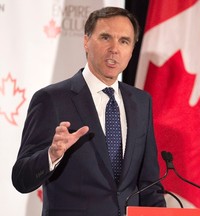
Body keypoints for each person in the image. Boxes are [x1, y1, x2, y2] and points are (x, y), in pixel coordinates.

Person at [12, 6, 166, 216]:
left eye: (124, 41)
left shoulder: (141, 102)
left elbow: (150, 184)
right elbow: (21, 178)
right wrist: (52, 155)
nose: (114, 48)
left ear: (131, 50)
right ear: (86, 41)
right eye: (105, 37)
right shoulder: (51, 100)